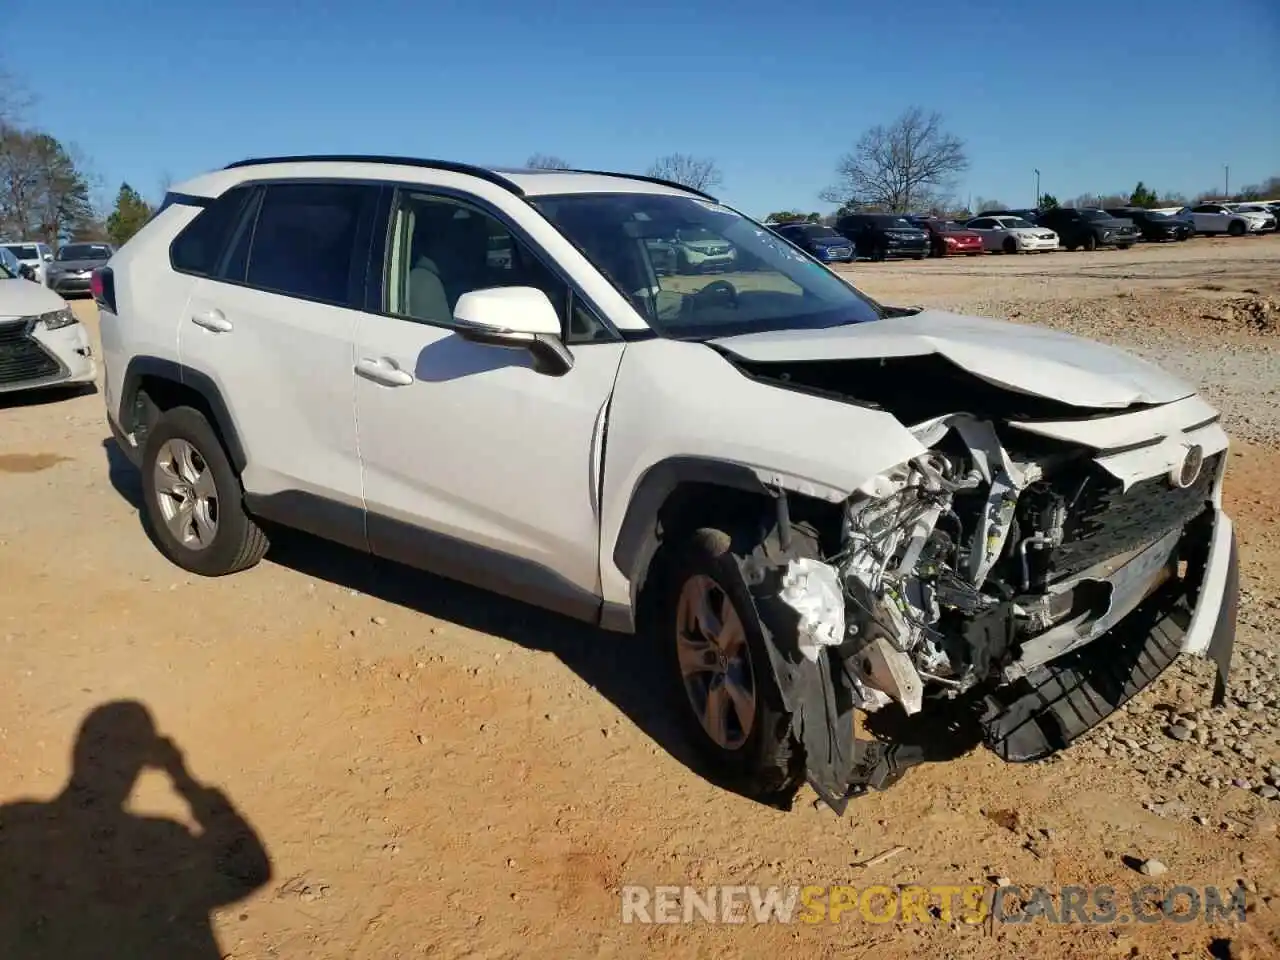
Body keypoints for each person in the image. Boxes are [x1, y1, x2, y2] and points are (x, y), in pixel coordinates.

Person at [0, 700, 272, 959]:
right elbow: (248, 868)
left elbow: (249, 869)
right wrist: (183, 778)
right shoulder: (159, 844)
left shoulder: (17, 827)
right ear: (145, 761)